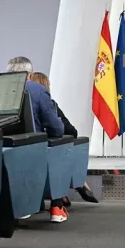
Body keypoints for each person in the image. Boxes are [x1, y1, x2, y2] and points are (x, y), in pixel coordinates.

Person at [6, 57, 68, 222]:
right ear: (29, 73)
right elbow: (56, 127)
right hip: (32, 147)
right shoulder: (38, 90)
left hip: (2, 147)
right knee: (62, 145)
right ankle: (56, 208)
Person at [28, 71, 99, 204]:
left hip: (32, 150)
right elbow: (70, 131)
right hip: (48, 151)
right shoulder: (50, 104)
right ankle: (77, 185)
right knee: (67, 145)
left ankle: (71, 190)